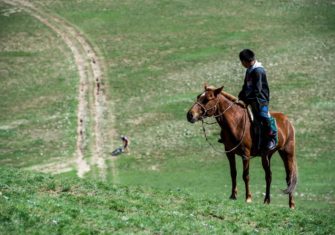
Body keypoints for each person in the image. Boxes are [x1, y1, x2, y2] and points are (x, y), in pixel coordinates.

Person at [237, 49, 277, 150]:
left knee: (263, 116)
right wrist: (240, 96)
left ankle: (272, 137)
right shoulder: (249, 70)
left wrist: (247, 99)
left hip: (260, 100)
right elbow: (246, 85)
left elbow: (257, 90)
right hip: (249, 98)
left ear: (244, 61)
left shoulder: (258, 70)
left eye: (241, 62)